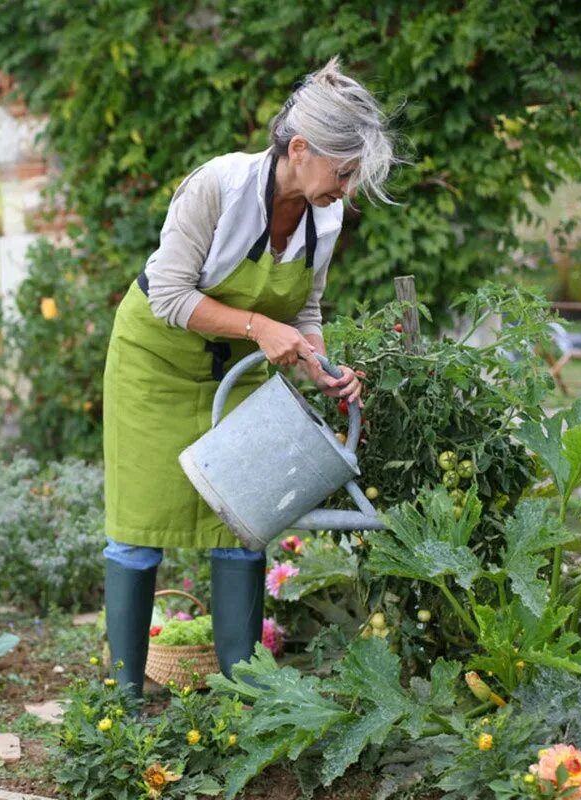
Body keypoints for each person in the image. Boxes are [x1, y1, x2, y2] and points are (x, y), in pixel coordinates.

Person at [102, 57, 396, 696]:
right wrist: (262, 329)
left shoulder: (326, 215)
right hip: (154, 366)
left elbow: (306, 307)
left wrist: (323, 367)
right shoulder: (218, 188)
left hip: (235, 373)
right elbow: (169, 296)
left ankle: (242, 693)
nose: (346, 188)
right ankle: (124, 701)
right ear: (300, 148)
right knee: (138, 529)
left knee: (243, 519)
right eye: (342, 171)